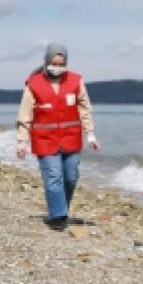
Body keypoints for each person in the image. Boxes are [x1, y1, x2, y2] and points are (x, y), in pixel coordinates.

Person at [16, 43, 100, 230]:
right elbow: (25, 115)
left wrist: (91, 134)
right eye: (54, 63)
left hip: (71, 139)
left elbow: (85, 109)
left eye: (61, 64)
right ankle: (57, 216)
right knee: (54, 176)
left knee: (70, 177)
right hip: (45, 141)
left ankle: (61, 209)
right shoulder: (34, 84)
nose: (57, 67)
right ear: (46, 62)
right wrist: (21, 142)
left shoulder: (76, 81)